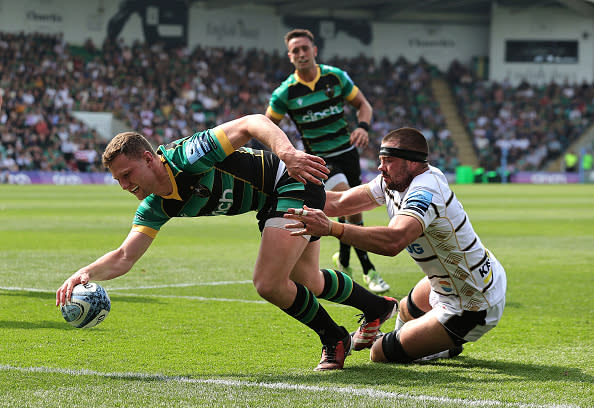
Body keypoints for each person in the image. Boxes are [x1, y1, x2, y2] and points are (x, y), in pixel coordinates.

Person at [55, 114, 398, 371]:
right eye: (118, 180)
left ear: (148, 159)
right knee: (307, 281)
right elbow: (125, 256)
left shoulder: (188, 155)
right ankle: (377, 307)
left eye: (127, 175)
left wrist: (288, 153)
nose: (125, 186)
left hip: (289, 181)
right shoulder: (155, 205)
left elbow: (253, 122)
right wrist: (84, 273)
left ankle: (333, 337)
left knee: (268, 282)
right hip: (270, 202)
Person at [285, 127, 507, 362]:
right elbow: (340, 201)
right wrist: (287, 194)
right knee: (404, 310)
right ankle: (421, 341)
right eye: (381, 160)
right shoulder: (392, 181)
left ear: (412, 163)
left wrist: (332, 228)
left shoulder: (425, 190)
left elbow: (394, 241)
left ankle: (445, 347)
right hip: (462, 277)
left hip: (471, 303)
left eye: (388, 161)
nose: (381, 167)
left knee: (379, 353)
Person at [265, 28, 390, 294]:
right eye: (295, 50)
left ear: (314, 50)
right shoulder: (285, 93)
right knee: (349, 204)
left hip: (348, 153)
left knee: (353, 210)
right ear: (290, 56)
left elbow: (363, 105)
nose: (301, 54)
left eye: (304, 48)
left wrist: (363, 127)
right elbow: (267, 126)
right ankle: (370, 271)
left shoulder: (336, 77)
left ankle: (343, 260)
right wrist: (287, 152)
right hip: (319, 160)